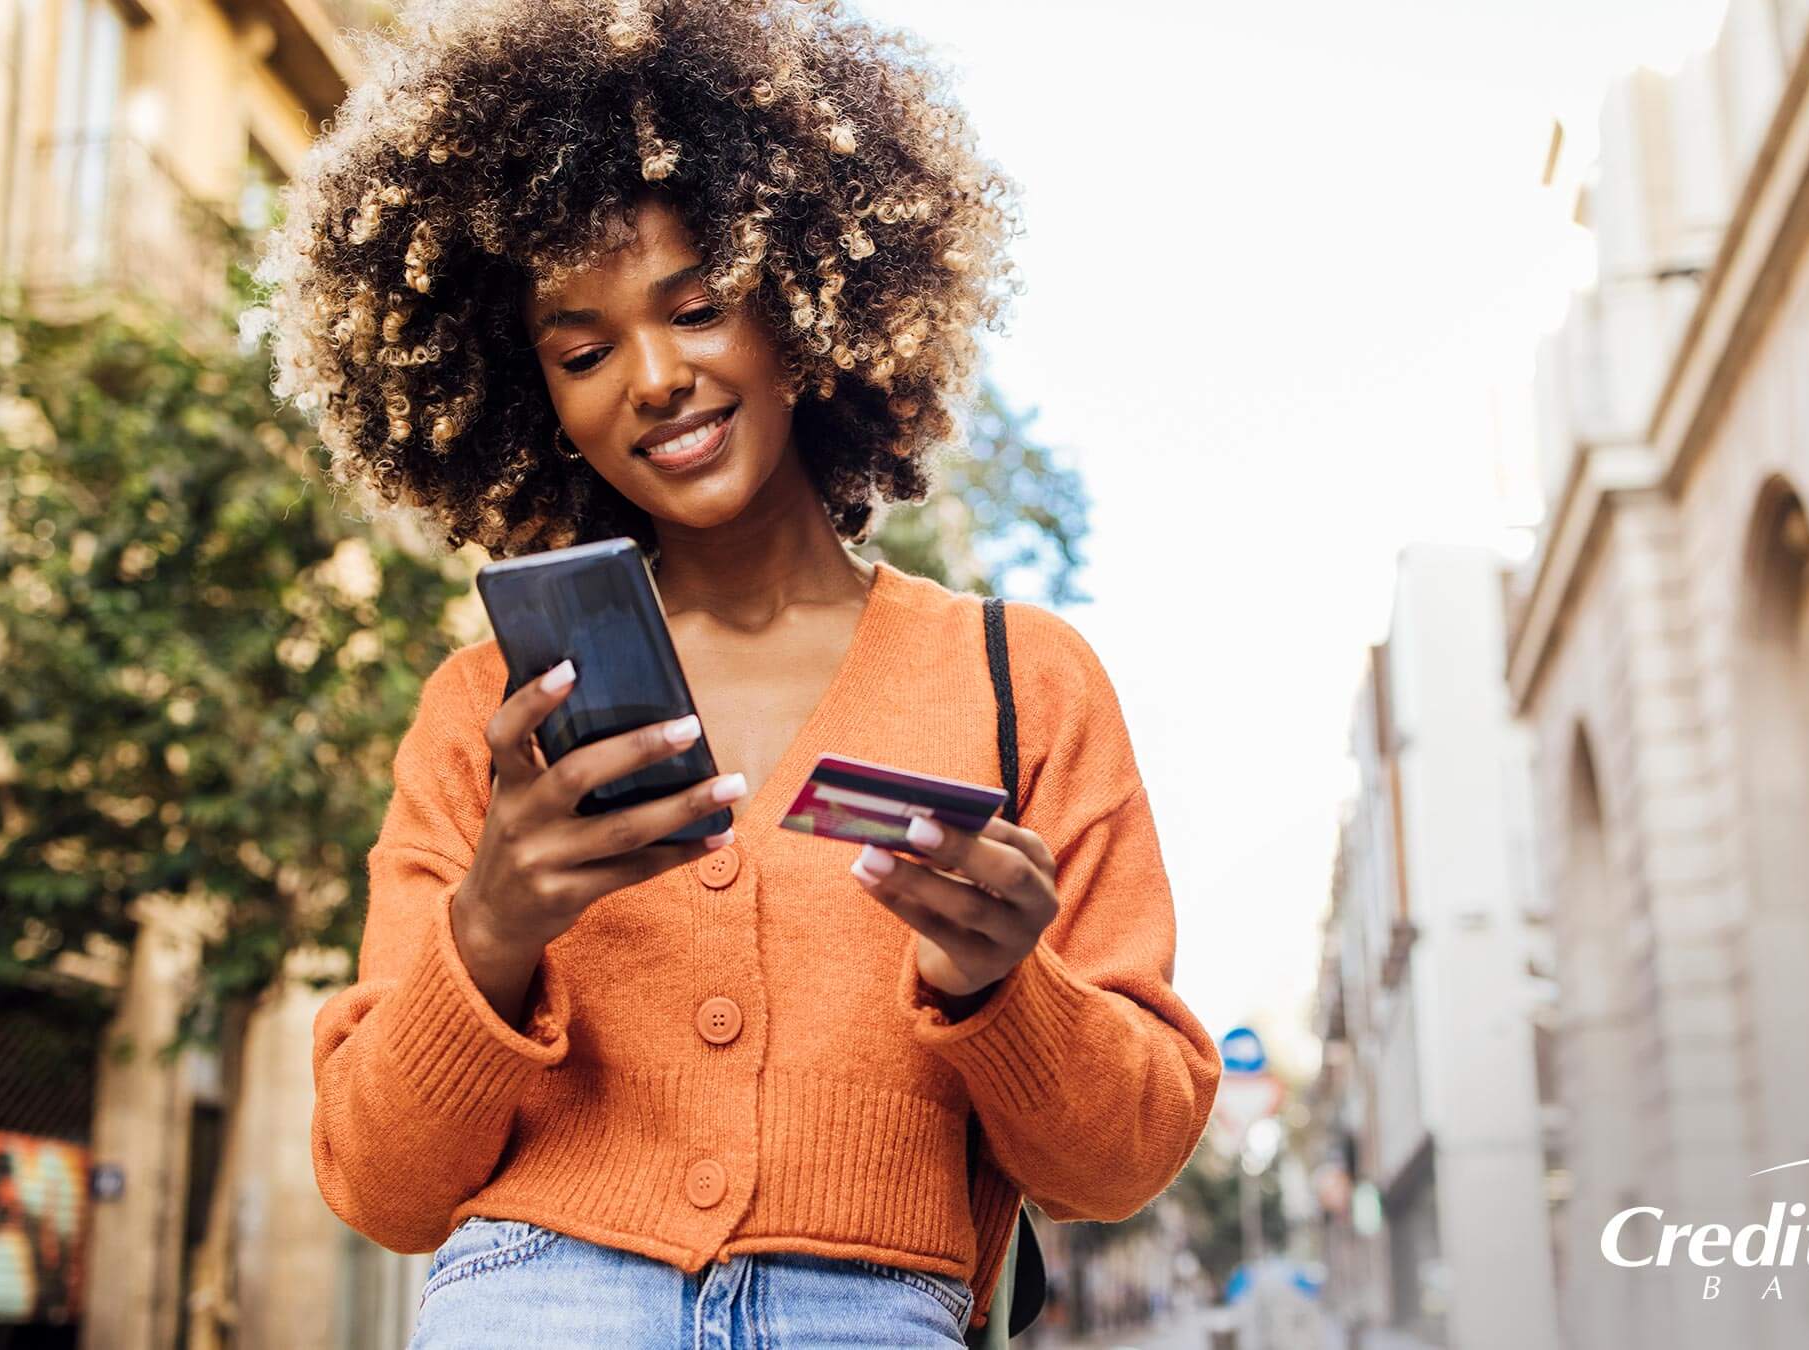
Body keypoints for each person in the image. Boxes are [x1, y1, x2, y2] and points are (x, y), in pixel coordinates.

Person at [256, 1, 1220, 1343]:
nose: (652, 378)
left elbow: (1118, 1159)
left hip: (875, 1304)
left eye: (698, 306)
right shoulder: (486, 713)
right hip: (536, 1289)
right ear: (536, 396)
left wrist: (1009, 986)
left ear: (809, 305)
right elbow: (379, 1182)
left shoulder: (1022, 680)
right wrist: (489, 930)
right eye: (583, 349)